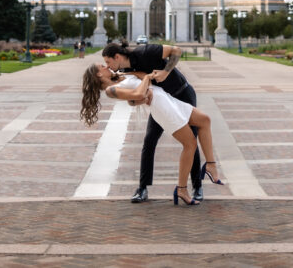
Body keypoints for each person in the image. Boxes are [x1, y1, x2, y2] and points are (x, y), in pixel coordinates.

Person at [80, 64, 224, 205]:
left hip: (168, 99)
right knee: (190, 144)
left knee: (205, 120)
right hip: (162, 109)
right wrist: (146, 82)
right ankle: (182, 189)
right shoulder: (111, 90)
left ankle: (210, 165)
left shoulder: (121, 77)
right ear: (98, 74)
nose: (106, 66)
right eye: (102, 67)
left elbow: (142, 82)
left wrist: (144, 81)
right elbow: (139, 94)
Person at [102, 41, 202, 203]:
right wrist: (137, 100)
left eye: (108, 62)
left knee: (191, 140)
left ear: (117, 56)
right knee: (149, 141)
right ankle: (142, 188)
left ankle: (197, 187)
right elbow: (133, 99)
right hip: (163, 104)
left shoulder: (146, 51)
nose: (108, 66)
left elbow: (176, 50)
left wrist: (166, 72)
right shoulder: (125, 71)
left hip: (182, 94)